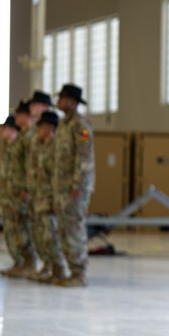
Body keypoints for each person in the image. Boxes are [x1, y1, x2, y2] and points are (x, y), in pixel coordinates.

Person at [53, 84, 96, 287]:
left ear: (71, 101)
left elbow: (84, 157)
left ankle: (79, 273)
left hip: (75, 188)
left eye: (61, 98)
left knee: (74, 229)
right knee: (64, 229)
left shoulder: (81, 126)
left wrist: (78, 185)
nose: (58, 102)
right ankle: (71, 271)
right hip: (62, 187)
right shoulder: (63, 124)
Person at [29, 110, 70, 283]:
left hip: (50, 199)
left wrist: (55, 200)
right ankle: (48, 268)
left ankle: (59, 269)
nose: (38, 129)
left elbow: (57, 176)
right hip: (40, 197)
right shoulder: (42, 146)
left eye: (41, 126)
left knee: (51, 236)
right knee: (42, 237)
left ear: (49, 127)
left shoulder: (56, 148)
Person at [0, 113, 37, 278]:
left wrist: (26, 189)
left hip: (19, 195)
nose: (2, 132)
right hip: (9, 195)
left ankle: (28, 263)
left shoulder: (22, 145)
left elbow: (27, 169)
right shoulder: (9, 147)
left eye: (5, 129)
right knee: (12, 231)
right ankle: (18, 262)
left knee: (23, 230)